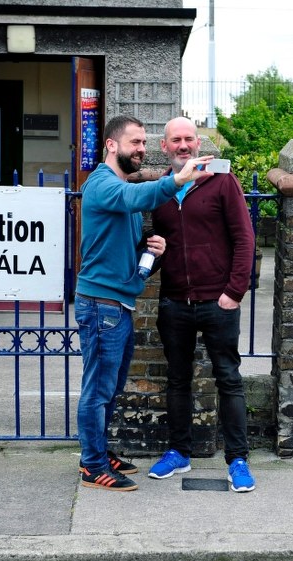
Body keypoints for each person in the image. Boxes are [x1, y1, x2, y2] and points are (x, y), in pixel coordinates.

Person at [76, 114, 214, 491]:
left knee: (112, 386)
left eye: (143, 144)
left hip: (117, 303)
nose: (141, 150)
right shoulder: (102, 185)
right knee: (98, 389)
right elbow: (135, 196)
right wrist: (177, 180)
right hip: (100, 304)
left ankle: (100, 453)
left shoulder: (122, 192)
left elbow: (122, 247)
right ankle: (91, 466)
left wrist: (150, 250)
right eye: (135, 142)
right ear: (111, 145)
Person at [147, 116, 257, 492]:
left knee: (228, 379)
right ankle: (179, 452)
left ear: (198, 143)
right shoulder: (161, 190)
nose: (183, 145)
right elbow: (158, 248)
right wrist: (153, 256)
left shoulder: (221, 180)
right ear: (164, 146)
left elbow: (244, 239)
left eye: (189, 139)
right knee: (177, 381)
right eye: (175, 139)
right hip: (174, 301)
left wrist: (234, 292)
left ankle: (238, 460)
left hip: (218, 301)